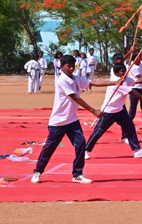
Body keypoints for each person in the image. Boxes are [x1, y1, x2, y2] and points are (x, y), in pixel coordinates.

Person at [31, 54, 118, 185]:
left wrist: (115, 82)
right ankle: (38, 171)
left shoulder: (76, 78)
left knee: (81, 143)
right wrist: (93, 110)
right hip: (59, 121)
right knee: (50, 147)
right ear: (61, 67)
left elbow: (92, 82)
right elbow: (75, 98)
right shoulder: (62, 80)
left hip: (72, 119)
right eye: (68, 66)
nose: (71, 69)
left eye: (73, 66)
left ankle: (77, 173)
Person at [85, 63, 142, 160]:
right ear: (116, 73)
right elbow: (132, 92)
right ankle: (85, 150)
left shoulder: (125, 79)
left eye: (125, 71)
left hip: (120, 110)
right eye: (122, 71)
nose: (125, 73)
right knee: (99, 131)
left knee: (130, 127)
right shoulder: (118, 82)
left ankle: (137, 150)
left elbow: (137, 81)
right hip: (109, 111)